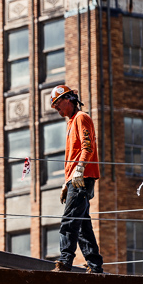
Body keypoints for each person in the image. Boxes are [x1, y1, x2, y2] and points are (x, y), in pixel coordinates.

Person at [50, 85, 104, 273]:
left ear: (69, 100)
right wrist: (66, 182)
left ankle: (65, 261)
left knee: (69, 220)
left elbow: (87, 147)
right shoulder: (71, 122)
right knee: (81, 224)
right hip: (76, 178)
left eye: (58, 105)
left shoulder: (81, 118)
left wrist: (79, 171)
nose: (57, 109)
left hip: (82, 178)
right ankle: (95, 265)